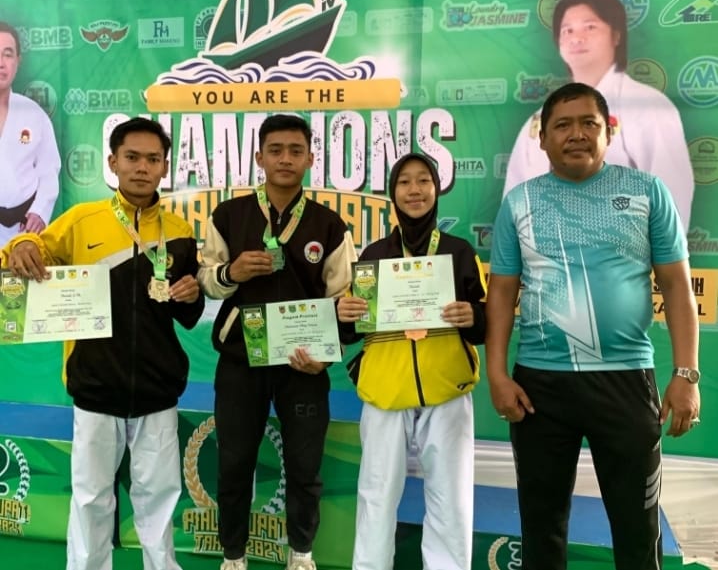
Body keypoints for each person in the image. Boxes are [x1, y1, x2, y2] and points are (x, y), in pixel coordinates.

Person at [486, 83, 700, 570]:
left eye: (589, 123)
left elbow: (676, 286)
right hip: (540, 387)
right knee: (542, 530)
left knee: (637, 531)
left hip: (625, 381)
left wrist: (686, 374)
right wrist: (496, 375)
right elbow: (501, 293)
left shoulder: (647, 192)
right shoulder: (519, 202)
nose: (576, 134)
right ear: (542, 138)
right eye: (562, 125)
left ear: (610, 131)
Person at [2, 117, 205, 570]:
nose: (142, 167)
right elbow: (34, 246)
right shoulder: (81, 220)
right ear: (113, 162)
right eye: (132, 157)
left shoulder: (179, 231)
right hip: (95, 387)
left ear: (164, 167)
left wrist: (193, 294)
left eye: (152, 159)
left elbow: (188, 314)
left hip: (157, 390)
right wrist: (20, 246)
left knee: (160, 499)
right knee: (91, 498)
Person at [197, 113, 357, 570]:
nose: (285, 159)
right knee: (234, 464)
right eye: (276, 150)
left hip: (303, 365)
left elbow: (345, 299)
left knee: (305, 467)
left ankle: (301, 553)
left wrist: (325, 358)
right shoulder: (230, 216)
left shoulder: (329, 226)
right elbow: (206, 279)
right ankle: (233, 555)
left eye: (295, 150)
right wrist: (232, 273)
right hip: (240, 361)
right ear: (259, 157)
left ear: (310, 158)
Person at [337, 152, 488, 570]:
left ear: (437, 190)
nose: (415, 190)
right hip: (385, 390)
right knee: (376, 496)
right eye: (405, 182)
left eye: (424, 180)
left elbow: (484, 325)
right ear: (393, 193)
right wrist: (343, 315)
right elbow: (353, 330)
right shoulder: (373, 254)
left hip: (447, 389)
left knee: (451, 499)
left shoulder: (459, 252)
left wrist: (473, 316)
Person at [503, 0, 694, 230]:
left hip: (624, 251)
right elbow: (513, 204)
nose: (576, 38)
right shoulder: (539, 120)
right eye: (567, 30)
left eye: (590, 27)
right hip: (545, 251)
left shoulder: (649, 106)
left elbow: (672, 195)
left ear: (616, 35)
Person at [0, 20, 61, 246]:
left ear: (18, 61)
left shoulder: (33, 114)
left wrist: (40, 212)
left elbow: (49, 170)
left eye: (7, 54)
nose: (1, 63)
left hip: (23, 230)